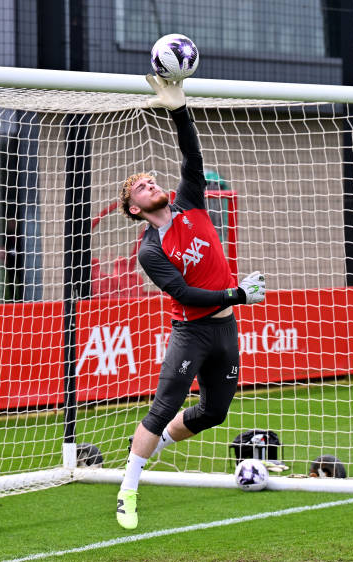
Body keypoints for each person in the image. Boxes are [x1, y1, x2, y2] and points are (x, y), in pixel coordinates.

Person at [115, 74, 266, 529]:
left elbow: (191, 155)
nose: (149, 183)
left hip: (225, 329)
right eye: (140, 187)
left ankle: (155, 446)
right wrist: (237, 294)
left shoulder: (190, 202)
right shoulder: (150, 249)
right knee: (163, 407)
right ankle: (128, 490)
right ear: (134, 209)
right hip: (193, 330)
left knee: (215, 412)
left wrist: (179, 109)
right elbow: (182, 294)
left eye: (149, 179)